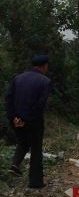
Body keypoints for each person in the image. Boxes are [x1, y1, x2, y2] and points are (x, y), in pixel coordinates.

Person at [5, 55, 52, 189]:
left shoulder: (18, 78)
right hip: (33, 121)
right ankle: (35, 182)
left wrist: (14, 117)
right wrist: (25, 119)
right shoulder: (45, 81)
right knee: (36, 149)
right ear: (44, 66)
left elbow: (8, 98)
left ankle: (15, 164)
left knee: (23, 142)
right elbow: (40, 105)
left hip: (16, 120)